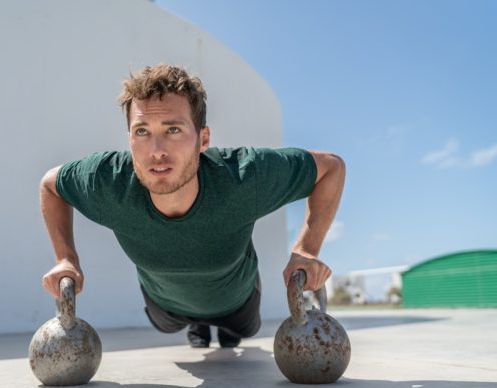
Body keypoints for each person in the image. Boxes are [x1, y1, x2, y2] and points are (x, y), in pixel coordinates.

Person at [39, 64, 345, 348]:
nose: (156, 151)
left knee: (239, 333)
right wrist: (66, 258)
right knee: (172, 326)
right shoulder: (106, 181)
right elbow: (51, 186)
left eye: (173, 130)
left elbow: (330, 168)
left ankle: (222, 327)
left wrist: (307, 250)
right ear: (130, 138)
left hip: (236, 303)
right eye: (142, 132)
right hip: (165, 307)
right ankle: (197, 325)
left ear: (203, 138)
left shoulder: (245, 176)